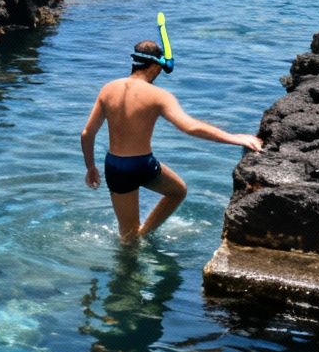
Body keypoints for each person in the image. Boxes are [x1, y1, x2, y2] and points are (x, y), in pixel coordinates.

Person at [80, 36, 263, 241]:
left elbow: (87, 134)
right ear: (156, 67)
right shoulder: (158, 95)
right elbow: (190, 126)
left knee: (127, 235)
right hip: (141, 164)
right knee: (177, 192)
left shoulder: (108, 89)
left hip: (114, 166)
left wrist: (90, 167)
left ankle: (137, 240)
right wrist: (234, 138)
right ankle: (144, 234)